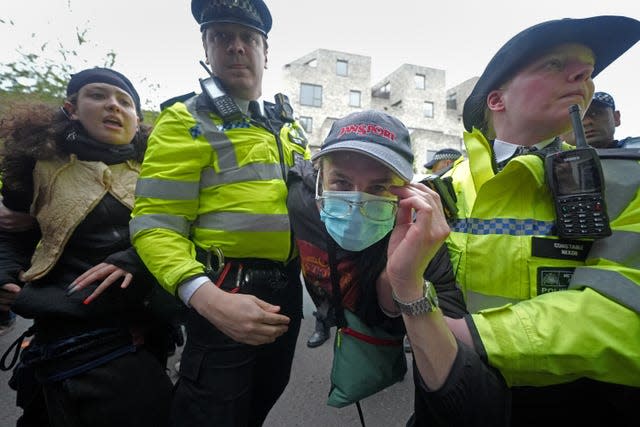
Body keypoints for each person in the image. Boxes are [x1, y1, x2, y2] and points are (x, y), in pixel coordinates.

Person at [385, 15, 640, 426]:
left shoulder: (628, 182)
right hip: (448, 395)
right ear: (496, 99)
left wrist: (459, 335)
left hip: (577, 405)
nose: (583, 75)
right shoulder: (436, 190)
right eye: (554, 64)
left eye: (587, 69)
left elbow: (627, 313)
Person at [130, 1, 310, 426]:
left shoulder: (288, 126)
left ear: (265, 53)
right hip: (223, 290)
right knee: (210, 412)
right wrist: (206, 299)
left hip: (288, 294)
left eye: (248, 38)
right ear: (206, 50)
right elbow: (154, 223)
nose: (235, 47)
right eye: (221, 37)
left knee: (261, 400)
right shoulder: (185, 119)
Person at [0, 67, 174, 427]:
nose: (113, 106)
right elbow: (10, 233)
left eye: (124, 102)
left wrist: (136, 258)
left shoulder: (159, 170)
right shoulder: (39, 167)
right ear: (71, 109)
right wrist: (3, 271)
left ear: (137, 120)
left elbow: (182, 230)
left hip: (144, 326)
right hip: (64, 324)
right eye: (98, 95)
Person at [286, 110, 484, 414]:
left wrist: (405, 282)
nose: (355, 203)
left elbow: (461, 391)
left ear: (405, 190)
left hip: (382, 321)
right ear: (319, 179)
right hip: (329, 305)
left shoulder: (421, 238)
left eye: (379, 188)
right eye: (340, 181)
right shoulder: (298, 199)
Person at [561, 91, 639, 148]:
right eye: (576, 117)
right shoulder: (554, 164)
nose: (587, 122)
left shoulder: (634, 148)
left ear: (616, 118)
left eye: (595, 113)